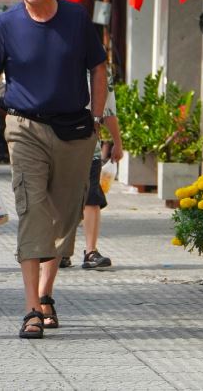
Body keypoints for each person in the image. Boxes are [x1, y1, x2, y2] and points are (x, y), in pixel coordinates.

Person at [0, 0, 107, 339]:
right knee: (32, 211)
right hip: (24, 128)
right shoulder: (6, 25)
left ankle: (47, 294)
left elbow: (98, 69)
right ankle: (32, 307)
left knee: (65, 219)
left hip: (75, 132)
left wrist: (98, 119)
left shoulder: (76, 19)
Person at [60, 84, 123, 270]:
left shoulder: (102, 73)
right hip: (56, 144)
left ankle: (90, 251)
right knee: (60, 198)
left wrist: (117, 143)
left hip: (89, 146)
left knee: (91, 197)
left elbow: (108, 111)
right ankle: (59, 249)